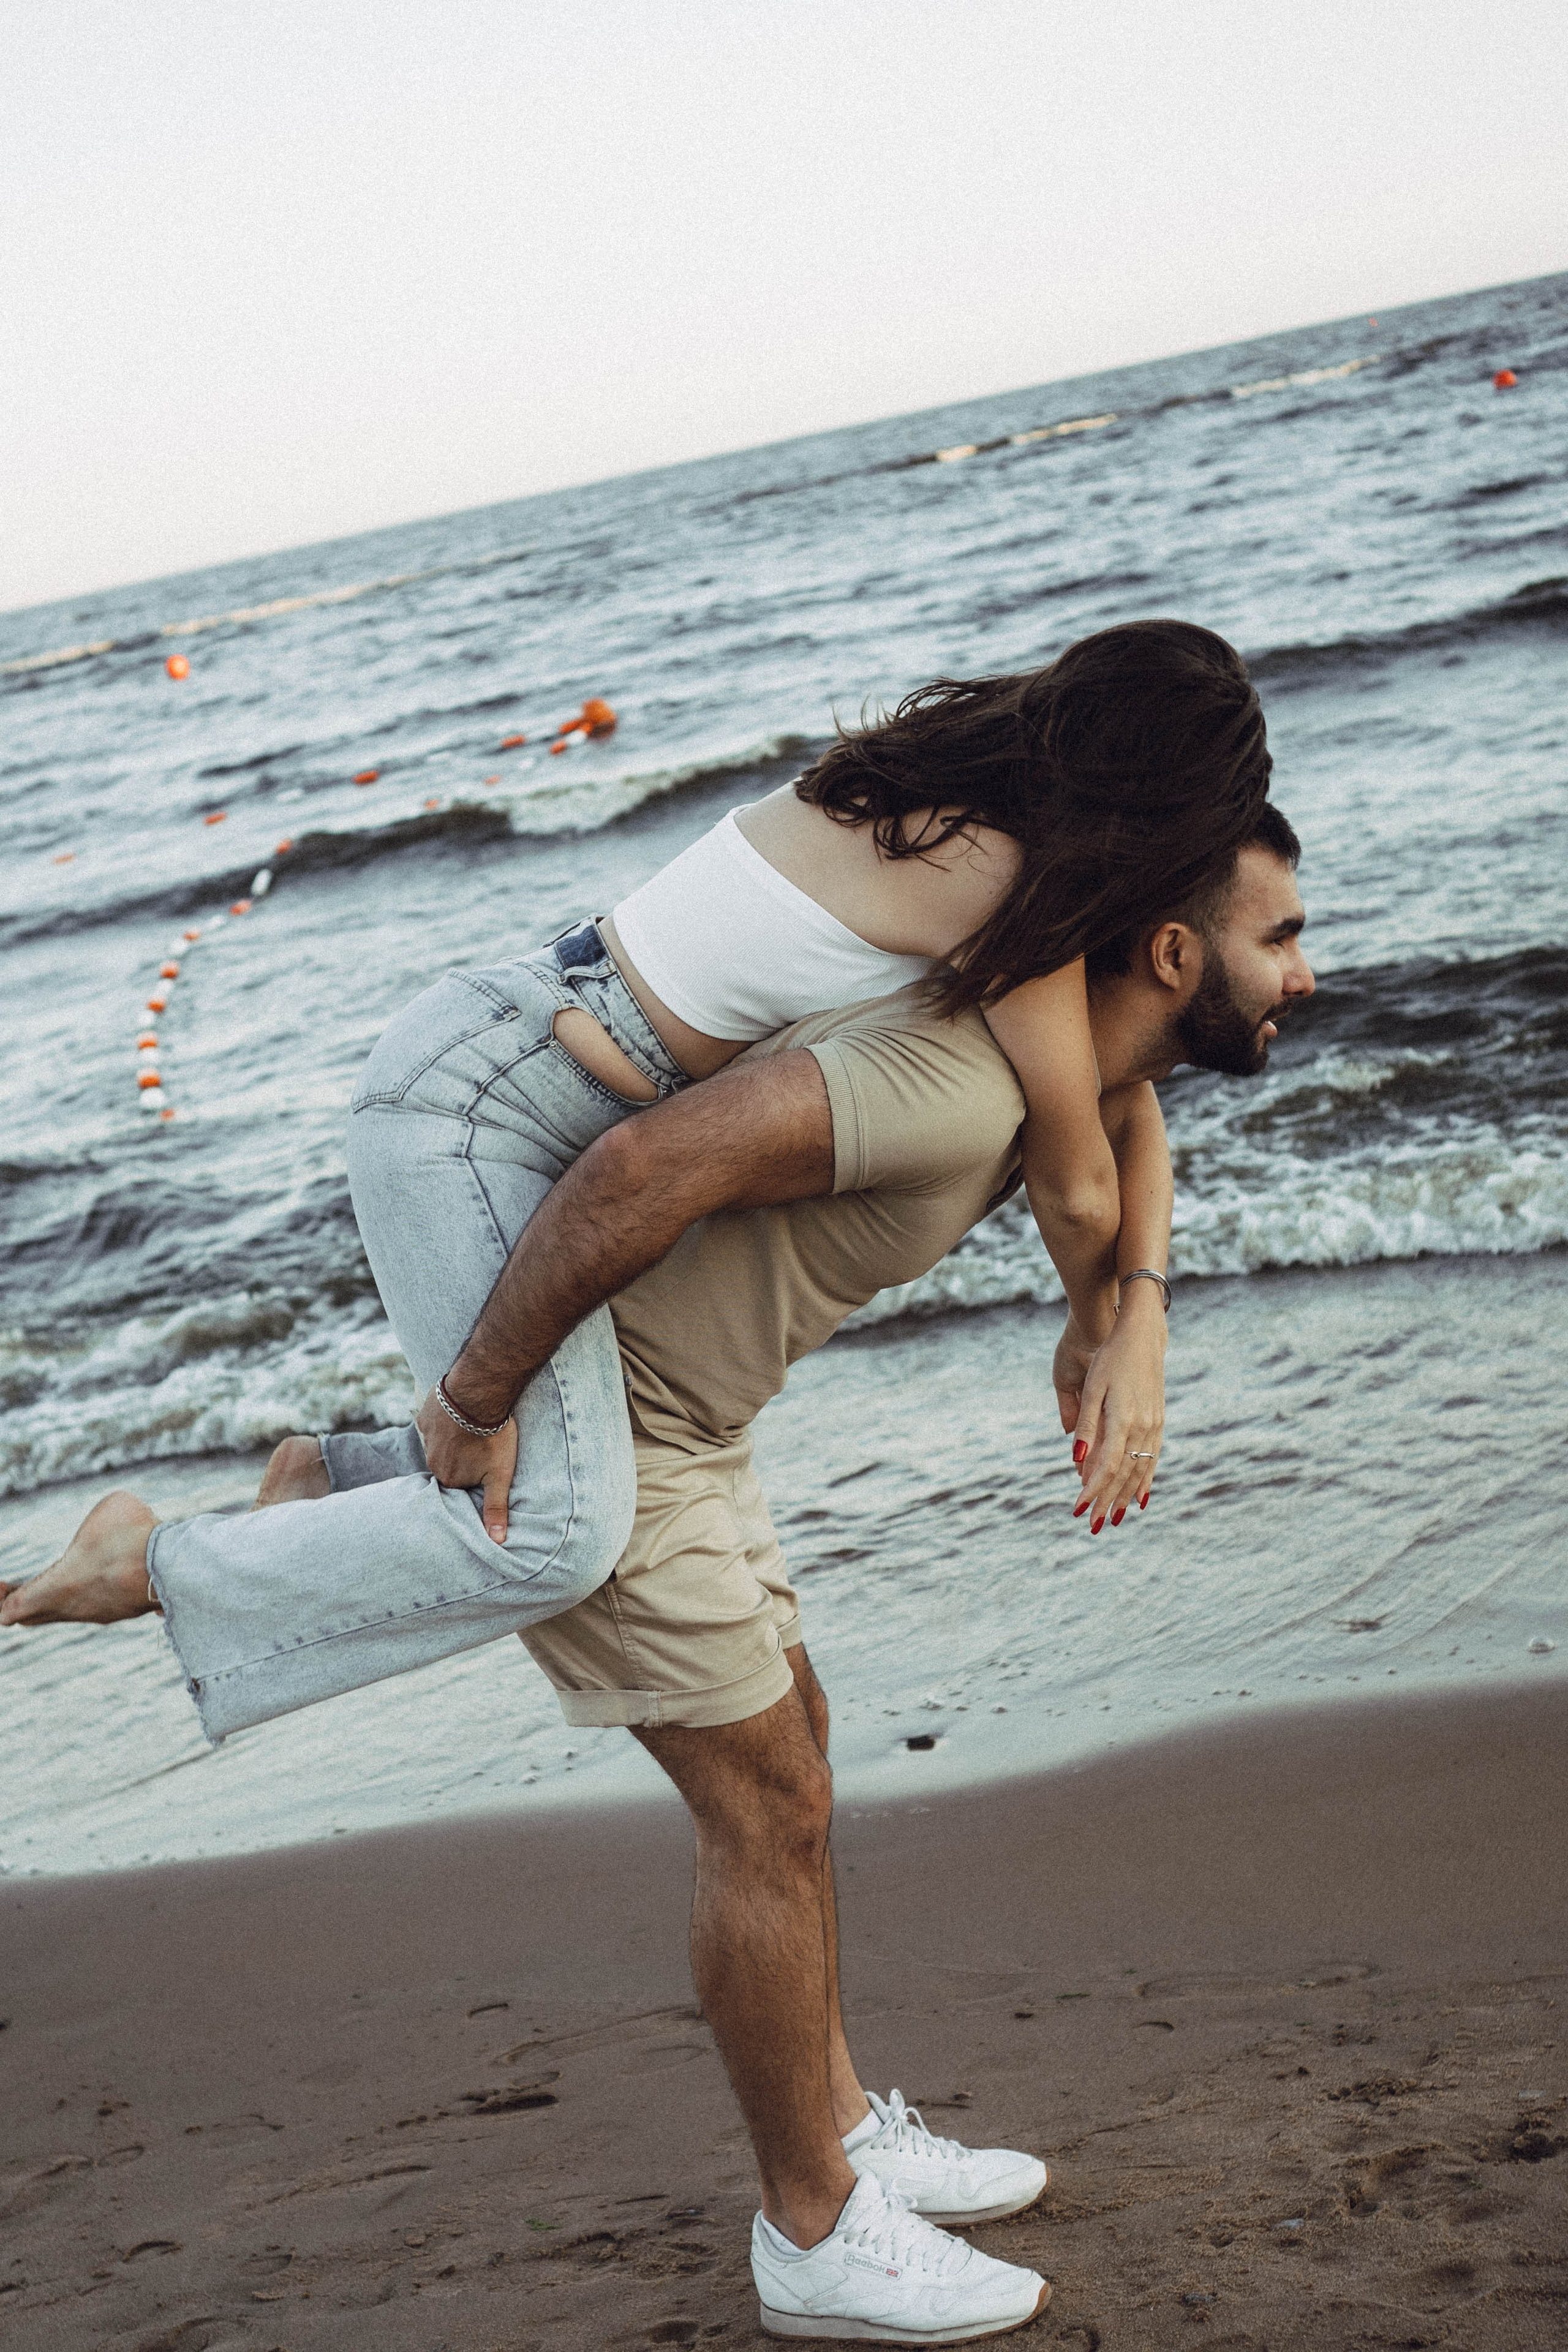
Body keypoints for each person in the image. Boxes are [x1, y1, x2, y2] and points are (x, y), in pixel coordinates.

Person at [2, 805, 1313, 2343]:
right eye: (1280, 936)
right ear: (1169, 950)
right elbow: (638, 1171)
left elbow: (1120, 1117)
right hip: (616, 1441)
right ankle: (812, 2235)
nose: (1305, 969)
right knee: (761, 1808)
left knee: (798, 1749)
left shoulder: (1055, 1075)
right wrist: (473, 1410)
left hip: (699, 1431)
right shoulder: (945, 1087)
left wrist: (1130, 1304)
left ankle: (839, 2134)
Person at [1, 621, 1273, 1751]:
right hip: (477, 1109)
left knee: (551, 1503)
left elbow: (1114, 1101)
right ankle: (156, 1562)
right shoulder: (1007, 884)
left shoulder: (945, 805)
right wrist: (1096, 1329)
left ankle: (329, 1488)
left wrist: (1133, 1307)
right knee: (557, 1532)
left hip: (523, 1082)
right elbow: (1076, 1185)